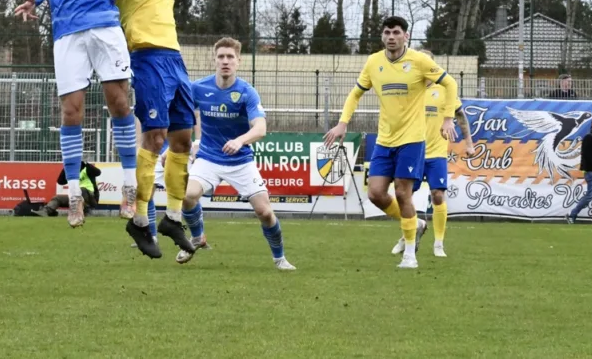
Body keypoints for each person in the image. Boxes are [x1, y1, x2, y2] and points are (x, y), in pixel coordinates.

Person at [15, 0, 138, 228]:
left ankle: (129, 190)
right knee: (71, 112)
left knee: (119, 103)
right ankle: (74, 196)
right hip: (67, 34)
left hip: (104, 27)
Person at [113, 0, 221, 259]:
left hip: (174, 59)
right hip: (146, 58)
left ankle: (173, 216)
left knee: (182, 140)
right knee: (154, 137)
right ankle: (140, 219)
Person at [324, 16, 458, 269]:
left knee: (402, 192)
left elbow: (450, 83)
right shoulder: (374, 62)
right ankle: (416, 224)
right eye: (387, 32)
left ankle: (410, 255)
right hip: (385, 140)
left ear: (406, 36)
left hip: (412, 141)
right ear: (382, 36)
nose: (391, 37)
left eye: (396, 32)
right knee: (375, 194)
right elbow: (355, 93)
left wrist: (448, 119)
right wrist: (342, 122)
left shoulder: (419, 61)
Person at [175, 38, 294, 270]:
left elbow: (260, 128)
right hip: (208, 157)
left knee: (264, 212)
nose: (225, 61)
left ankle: (280, 258)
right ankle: (198, 237)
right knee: (187, 195)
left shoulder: (247, 92)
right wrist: (179, 147)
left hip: (240, 161)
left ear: (238, 62)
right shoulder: (198, 88)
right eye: (221, 57)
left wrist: (240, 141)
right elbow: (180, 116)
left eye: (230, 57)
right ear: (214, 60)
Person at [390, 49, 474, 258]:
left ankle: (438, 244)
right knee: (404, 197)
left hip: (436, 153)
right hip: (412, 151)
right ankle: (409, 233)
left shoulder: (444, 89)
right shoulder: (409, 89)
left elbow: (461, 116)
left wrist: (469, 144)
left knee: (438, 195)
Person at [37, 161, 102, 217]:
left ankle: (86, 210)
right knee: (57, 198)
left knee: (81, 190)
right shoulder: (71, 173)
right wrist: (65, 168)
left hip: (90, 197)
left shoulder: (86, 168)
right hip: (75, 197)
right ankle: (46, 211)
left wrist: (86, 164)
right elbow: (60, 181)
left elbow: (98, 172)